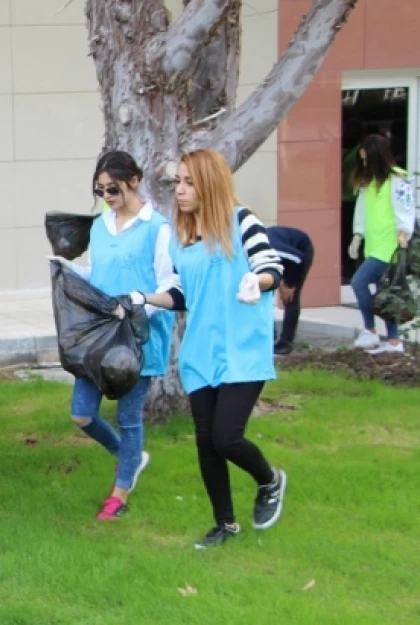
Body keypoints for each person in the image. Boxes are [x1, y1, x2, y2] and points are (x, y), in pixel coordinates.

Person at [134, 149, 288, 550]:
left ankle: (270, 481)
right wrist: (143, 298)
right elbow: (183, 293)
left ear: (210, 183)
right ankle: (225, 524)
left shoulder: (242, 221)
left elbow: (271, 266)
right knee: (206, 442)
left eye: (188, 182)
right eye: (178, 183)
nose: (180, 191)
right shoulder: (182, 238)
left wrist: (260, 282)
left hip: (242, 351)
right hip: (199, 354)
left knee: (226, 437)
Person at [52, 151, 175, 521]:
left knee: (130, 417)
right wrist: (69, 271)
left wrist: (136, 307)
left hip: (138, 339)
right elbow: (99, 273)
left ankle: (119, 494)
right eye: (99, 189)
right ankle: (131, 457)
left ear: (134, 181)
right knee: (82, 415)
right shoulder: (101, 226)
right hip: (98, 337)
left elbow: (171, 285)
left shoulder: (158, 228)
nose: (106, 195)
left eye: (112, 187)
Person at [347, 134, 416, 354]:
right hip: (374, 244)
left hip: (390, 245)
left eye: (366, 158)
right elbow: (362, 209)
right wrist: (357, 235)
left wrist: (404, 232)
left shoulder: (398, 179)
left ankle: (370, 330)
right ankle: (394, 342)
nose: (364, 163)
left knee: (359, 282)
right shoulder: (369, 182)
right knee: (385, 292)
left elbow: (406, 208)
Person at [267, 226, 314, 355]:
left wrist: (288, 284)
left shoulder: (271, 248)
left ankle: (286, 343)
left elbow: (298, 259)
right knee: (263, 297)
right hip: (282, 257)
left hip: (299, 252)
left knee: (290, 298)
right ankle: (270, 337)